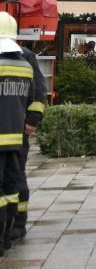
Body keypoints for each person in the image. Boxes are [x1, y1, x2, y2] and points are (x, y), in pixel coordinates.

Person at [0, 13, 38, 255]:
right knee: (12, 187)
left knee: (10, 186)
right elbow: (33, 96)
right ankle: (9, 233)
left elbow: (35, 97)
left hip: (9, 135)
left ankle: (14, 229)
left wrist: (32, 119)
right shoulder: (24, 64)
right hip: (15, 137)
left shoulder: (23, 59)